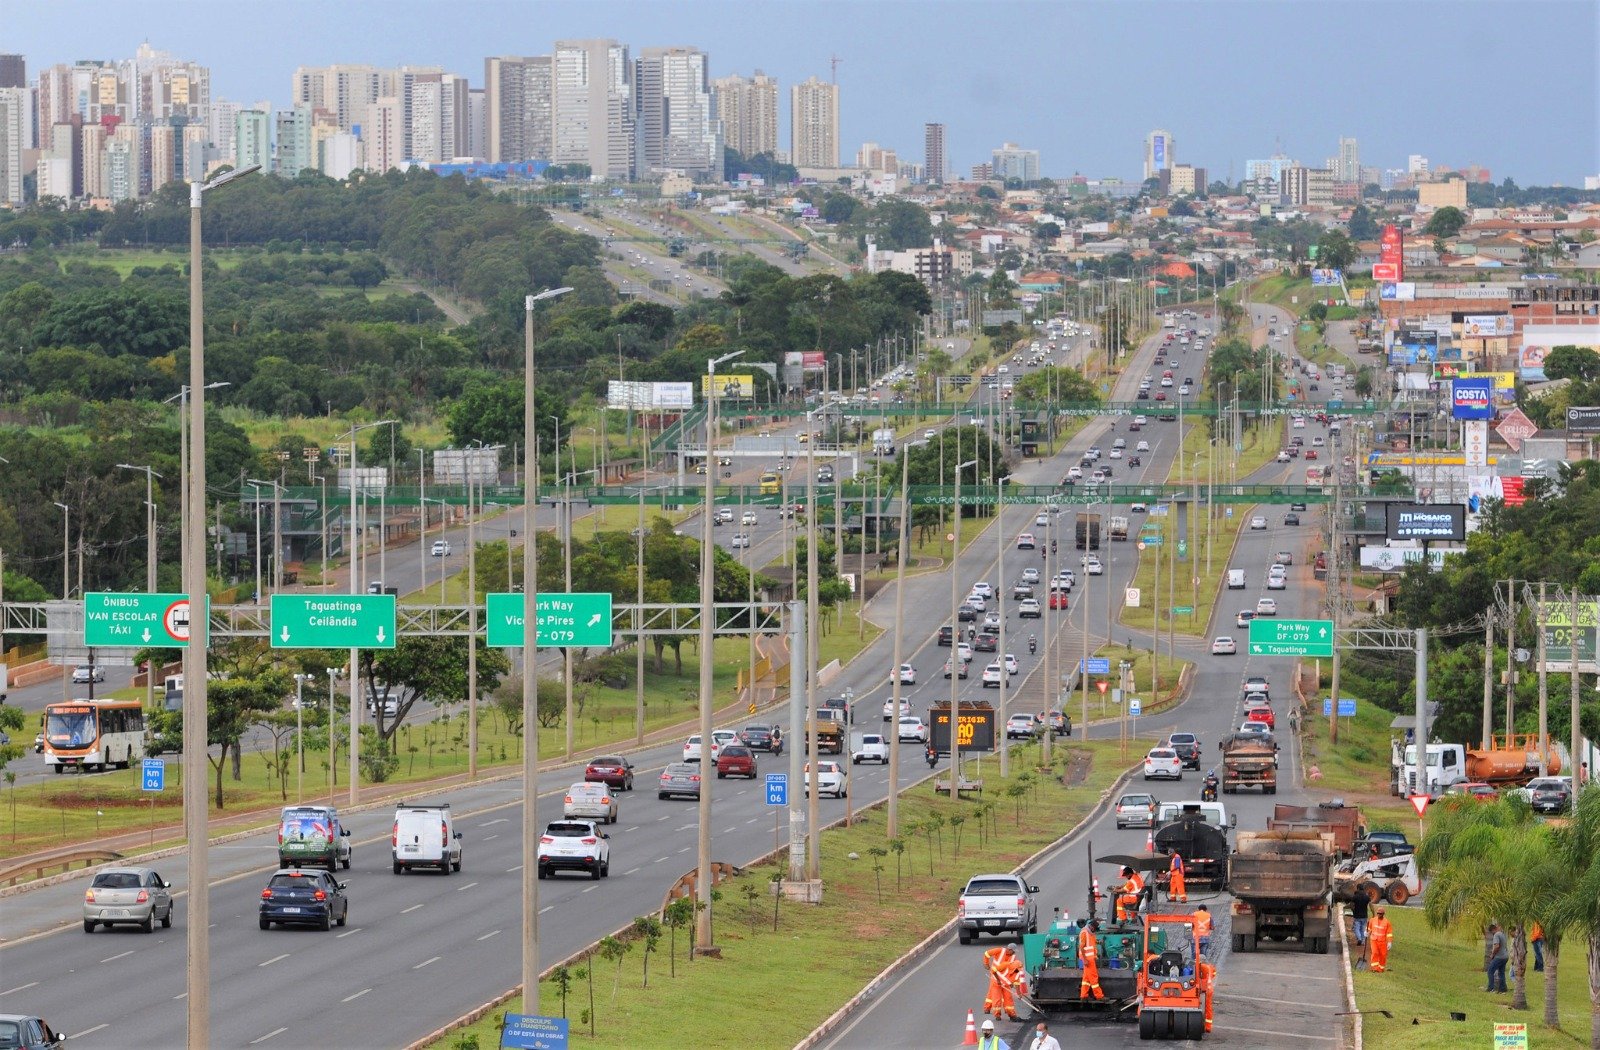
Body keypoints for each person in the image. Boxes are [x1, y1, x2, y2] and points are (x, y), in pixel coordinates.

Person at [1078, 920, 1105, 1001]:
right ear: (1092, 927)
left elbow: (1091, 943)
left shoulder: (1090, 933)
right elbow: (1081, 947)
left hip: (1090, 958)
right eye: (1095, 928)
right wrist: (1085, 960)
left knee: (1086, 979)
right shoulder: (1084, 932)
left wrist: (1098, 942)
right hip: (1088, 959)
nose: (1095, 930)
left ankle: (1083, 996)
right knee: (1094, 977)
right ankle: (1099, 996)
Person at [1485, 922, 1508, 992]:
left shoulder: (1496, 935)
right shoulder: (1502, 934)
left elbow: (1497, 946)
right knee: (1501, 972)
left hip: (1499, 957)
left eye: (1491, 932)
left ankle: (1490, 987)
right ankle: (1502, 989)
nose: (1492, 933)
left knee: (1490, 971)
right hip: (1505, 956)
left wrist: (1493, 954)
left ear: (1493, 930)